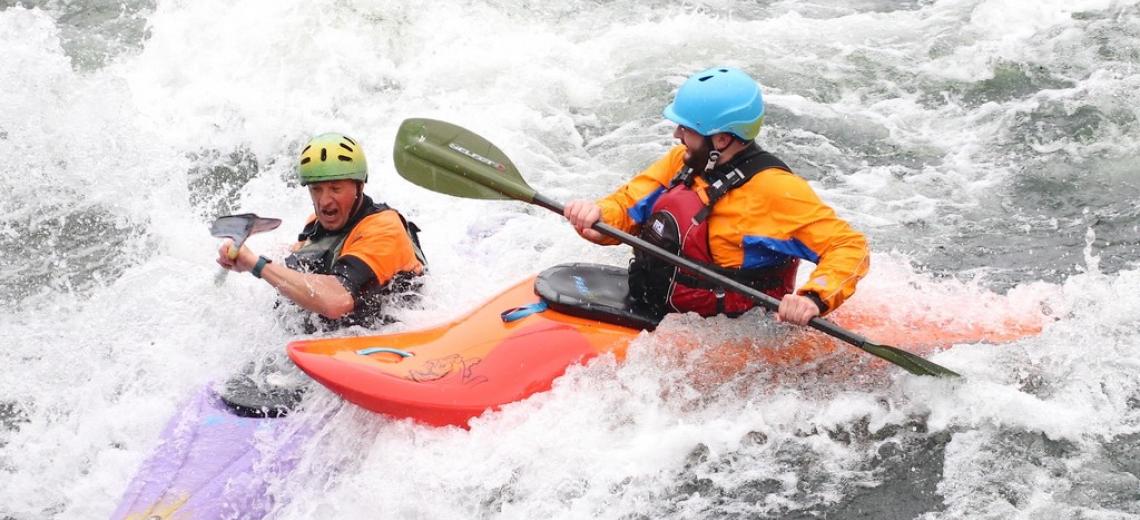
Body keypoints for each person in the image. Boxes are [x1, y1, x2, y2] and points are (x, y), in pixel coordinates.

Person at [563, 67, 869, 326]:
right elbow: (626, 205)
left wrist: (813, 298)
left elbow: (848, 246)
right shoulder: (681, 163)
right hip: (663, 309)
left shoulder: (775, 191)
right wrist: (597, 216)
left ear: (721, 139)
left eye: (686, 129)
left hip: (736, 331)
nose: (677, 136)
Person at [216, 132, 427, 328]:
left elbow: (337, 301)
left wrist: (257, 264)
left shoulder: (384, 228)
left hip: (394, 331)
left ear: (359, 187)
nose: (324, 201)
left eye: (336, 189)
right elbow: (300, 259)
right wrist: (245, 259)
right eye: (316, 189)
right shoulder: (316, 223)